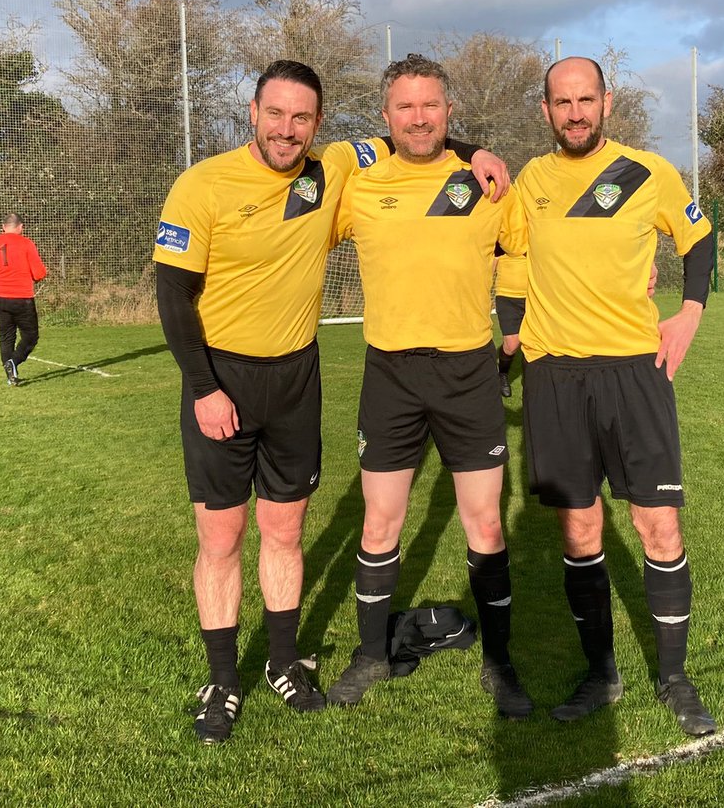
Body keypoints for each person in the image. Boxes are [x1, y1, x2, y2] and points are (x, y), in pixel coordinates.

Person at [151, 60, 510, 745]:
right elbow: (172, 296)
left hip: (295, 378)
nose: (288, 130)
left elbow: (421, 135)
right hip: (220, 379)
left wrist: (478, 150)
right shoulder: (201, 185)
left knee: (285, 531)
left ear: (318, 124)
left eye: (302, 118)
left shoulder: (335, 166)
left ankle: (285, 662)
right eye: (276, 114)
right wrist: (202, 388)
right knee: (221, 538)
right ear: (252, 113)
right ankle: (224, 681)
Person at [514, 56, 717, 736]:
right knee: (579, 528)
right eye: (562, 102)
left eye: (586, 99)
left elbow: (699, 239)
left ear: (607, 102)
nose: (575, 112)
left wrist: (689, 312)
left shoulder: (647, 171)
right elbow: (502, 248)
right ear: (545, 110)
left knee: (658, 526)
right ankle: (600, 671)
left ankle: (675, 677)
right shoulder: (530, 181)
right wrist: (510, 332)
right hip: (555, 376)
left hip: (634, 370)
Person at [326, 54, 533, 719]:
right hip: (390, 373)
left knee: (484, 524)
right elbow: (298, 222)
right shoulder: (359, 185)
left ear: (450, 112)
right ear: (385, 117)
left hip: (469, 373)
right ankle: (370, 654)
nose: (419, 117)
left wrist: (512, 331)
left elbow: (525, 252)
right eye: (406, 107)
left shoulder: (487, 183)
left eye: (431, 105)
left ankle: (501, 663)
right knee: (381, 520)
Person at [0, 213, 47, 386]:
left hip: (1, 298)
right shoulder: (27, 244)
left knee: (6, 337)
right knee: (31, 336)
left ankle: (10, 375)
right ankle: (13, 362)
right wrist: (37, 276)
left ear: (3, 227)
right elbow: (39, 272)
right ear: (20, 227)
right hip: (23, 298)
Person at [492, 253, 527, 397]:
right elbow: (492, 263)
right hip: (507, 297)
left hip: (534, 296)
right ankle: (503, 374)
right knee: (512, 345)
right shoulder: (503, 236)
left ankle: (534, 381)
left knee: (534, 342)